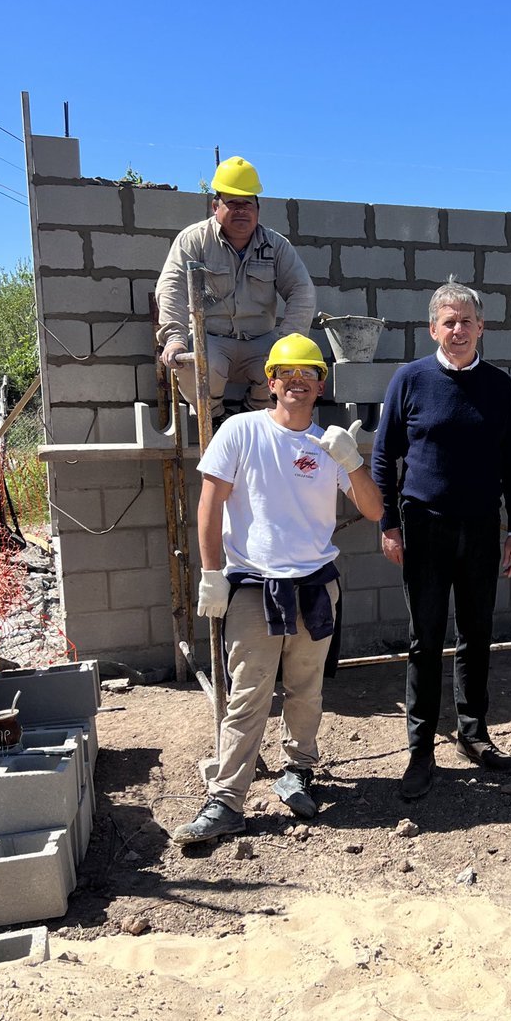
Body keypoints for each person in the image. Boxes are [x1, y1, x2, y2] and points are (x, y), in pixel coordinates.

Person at [172, 334, 384, 845]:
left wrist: (351, 460)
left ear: (320, 384)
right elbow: (210, 504)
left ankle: (299, 772)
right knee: (248, 696)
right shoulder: (241, 432)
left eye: (307, 375)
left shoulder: (329, 444)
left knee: (306, 691)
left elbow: (377, 511)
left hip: (314, 586)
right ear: (270, 382)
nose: (296, 382)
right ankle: (226, 801)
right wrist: (211, 572)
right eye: (286, 374)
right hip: (254, 587)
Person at [371, 280, 511, 801]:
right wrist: (389, 524)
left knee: (477, 634)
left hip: (482, 528)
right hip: (425, 527)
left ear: (481, 327)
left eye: (468, 321)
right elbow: (383, 454)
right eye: (449, 321)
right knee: (425, 639)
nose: (458, 330)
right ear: (433, 327)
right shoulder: (409, 379)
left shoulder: (500, 387)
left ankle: (473, 733)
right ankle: (421, 749)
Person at [155, 155, 316, 425]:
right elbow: (171, 287)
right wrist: (175, 337)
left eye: (248, 203)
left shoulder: (276, 246)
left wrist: (288, 342)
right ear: (215, 206)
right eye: (233, 203)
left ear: (258, 208)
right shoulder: (194, 240)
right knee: (191, 363)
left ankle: (251, 416)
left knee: (287, 369)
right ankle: (217, 419)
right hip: (211, 338)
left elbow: (302, 290)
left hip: (260, 340)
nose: (241, 210)